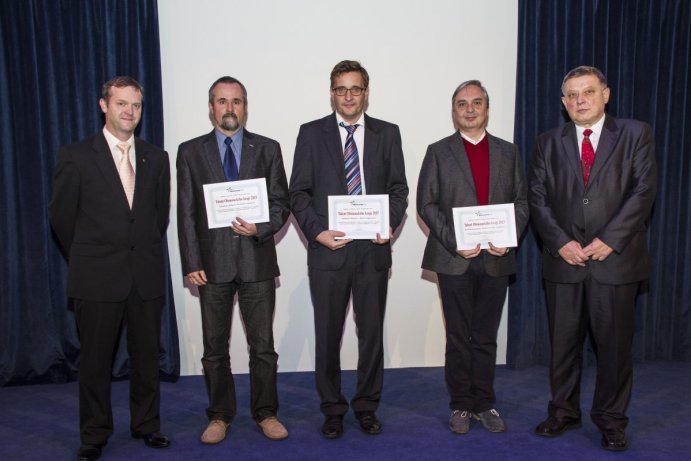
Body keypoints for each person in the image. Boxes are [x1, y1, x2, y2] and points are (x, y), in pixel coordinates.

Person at [529, 66, 657, 451]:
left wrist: (610, 239)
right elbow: (537, 198)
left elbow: (644, 192)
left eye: (587, 92)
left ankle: (611, 420)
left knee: (614, 348)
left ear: (606, 94)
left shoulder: (636, 134)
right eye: (571, 95)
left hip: (615, 262)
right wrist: (560, 242)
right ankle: (563, 411)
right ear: (563, 102)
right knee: (563, 345)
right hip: (564, 262)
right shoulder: (547, 142)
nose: (579, 100)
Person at [49, 76, 171, 461]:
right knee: (96, 362)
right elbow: (61, 218)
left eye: (135, 105)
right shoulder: (76, 156)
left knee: (147, 359)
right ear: (104, 105)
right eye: (121, 104)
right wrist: (89, 255)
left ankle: (146, 424)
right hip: (97, 276)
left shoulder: (156, 157)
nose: (129, 112)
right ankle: (95, 434)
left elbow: (157, 217)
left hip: (145, 276)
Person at [289, 60, 408, 439]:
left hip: (372, 253)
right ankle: (333, 408)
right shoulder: (311, 133)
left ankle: (367, 406)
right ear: (331, 93)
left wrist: (386, 224)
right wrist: (317, 232)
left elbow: (399, 191)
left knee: (371, 334)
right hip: (328, 253)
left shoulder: (388, 134)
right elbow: (298, 193)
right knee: (328, 334)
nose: (348, 95)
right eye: (341, 89)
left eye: (355, 88)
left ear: (366, 93)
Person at [176, 76, 290, 444]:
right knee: (214, 348)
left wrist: (260, 226)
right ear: (211, 107)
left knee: (263, 347)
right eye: (222, 101)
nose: (230, 108)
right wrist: (191, 260)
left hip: (256, 261)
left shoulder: (268, 148)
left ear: (245, 106)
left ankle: (266, 412)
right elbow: (187, 213)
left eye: (237, 101)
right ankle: (220, 415)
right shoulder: (190, 152)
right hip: (211, 265)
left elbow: (281, 204)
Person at [417, 80, 529, 435]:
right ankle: (461, 405)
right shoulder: (438, 151)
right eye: (462, 103)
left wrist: (508, 238)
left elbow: (522, 203)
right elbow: (426, 204)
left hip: (496, 258)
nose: (469, 109)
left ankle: (485, 401)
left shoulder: (509, 152)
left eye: (476, 102)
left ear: (486, 108)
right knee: (458, 336)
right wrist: (454, 242)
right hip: (455, 259)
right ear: (454, 111)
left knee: (485, 337)